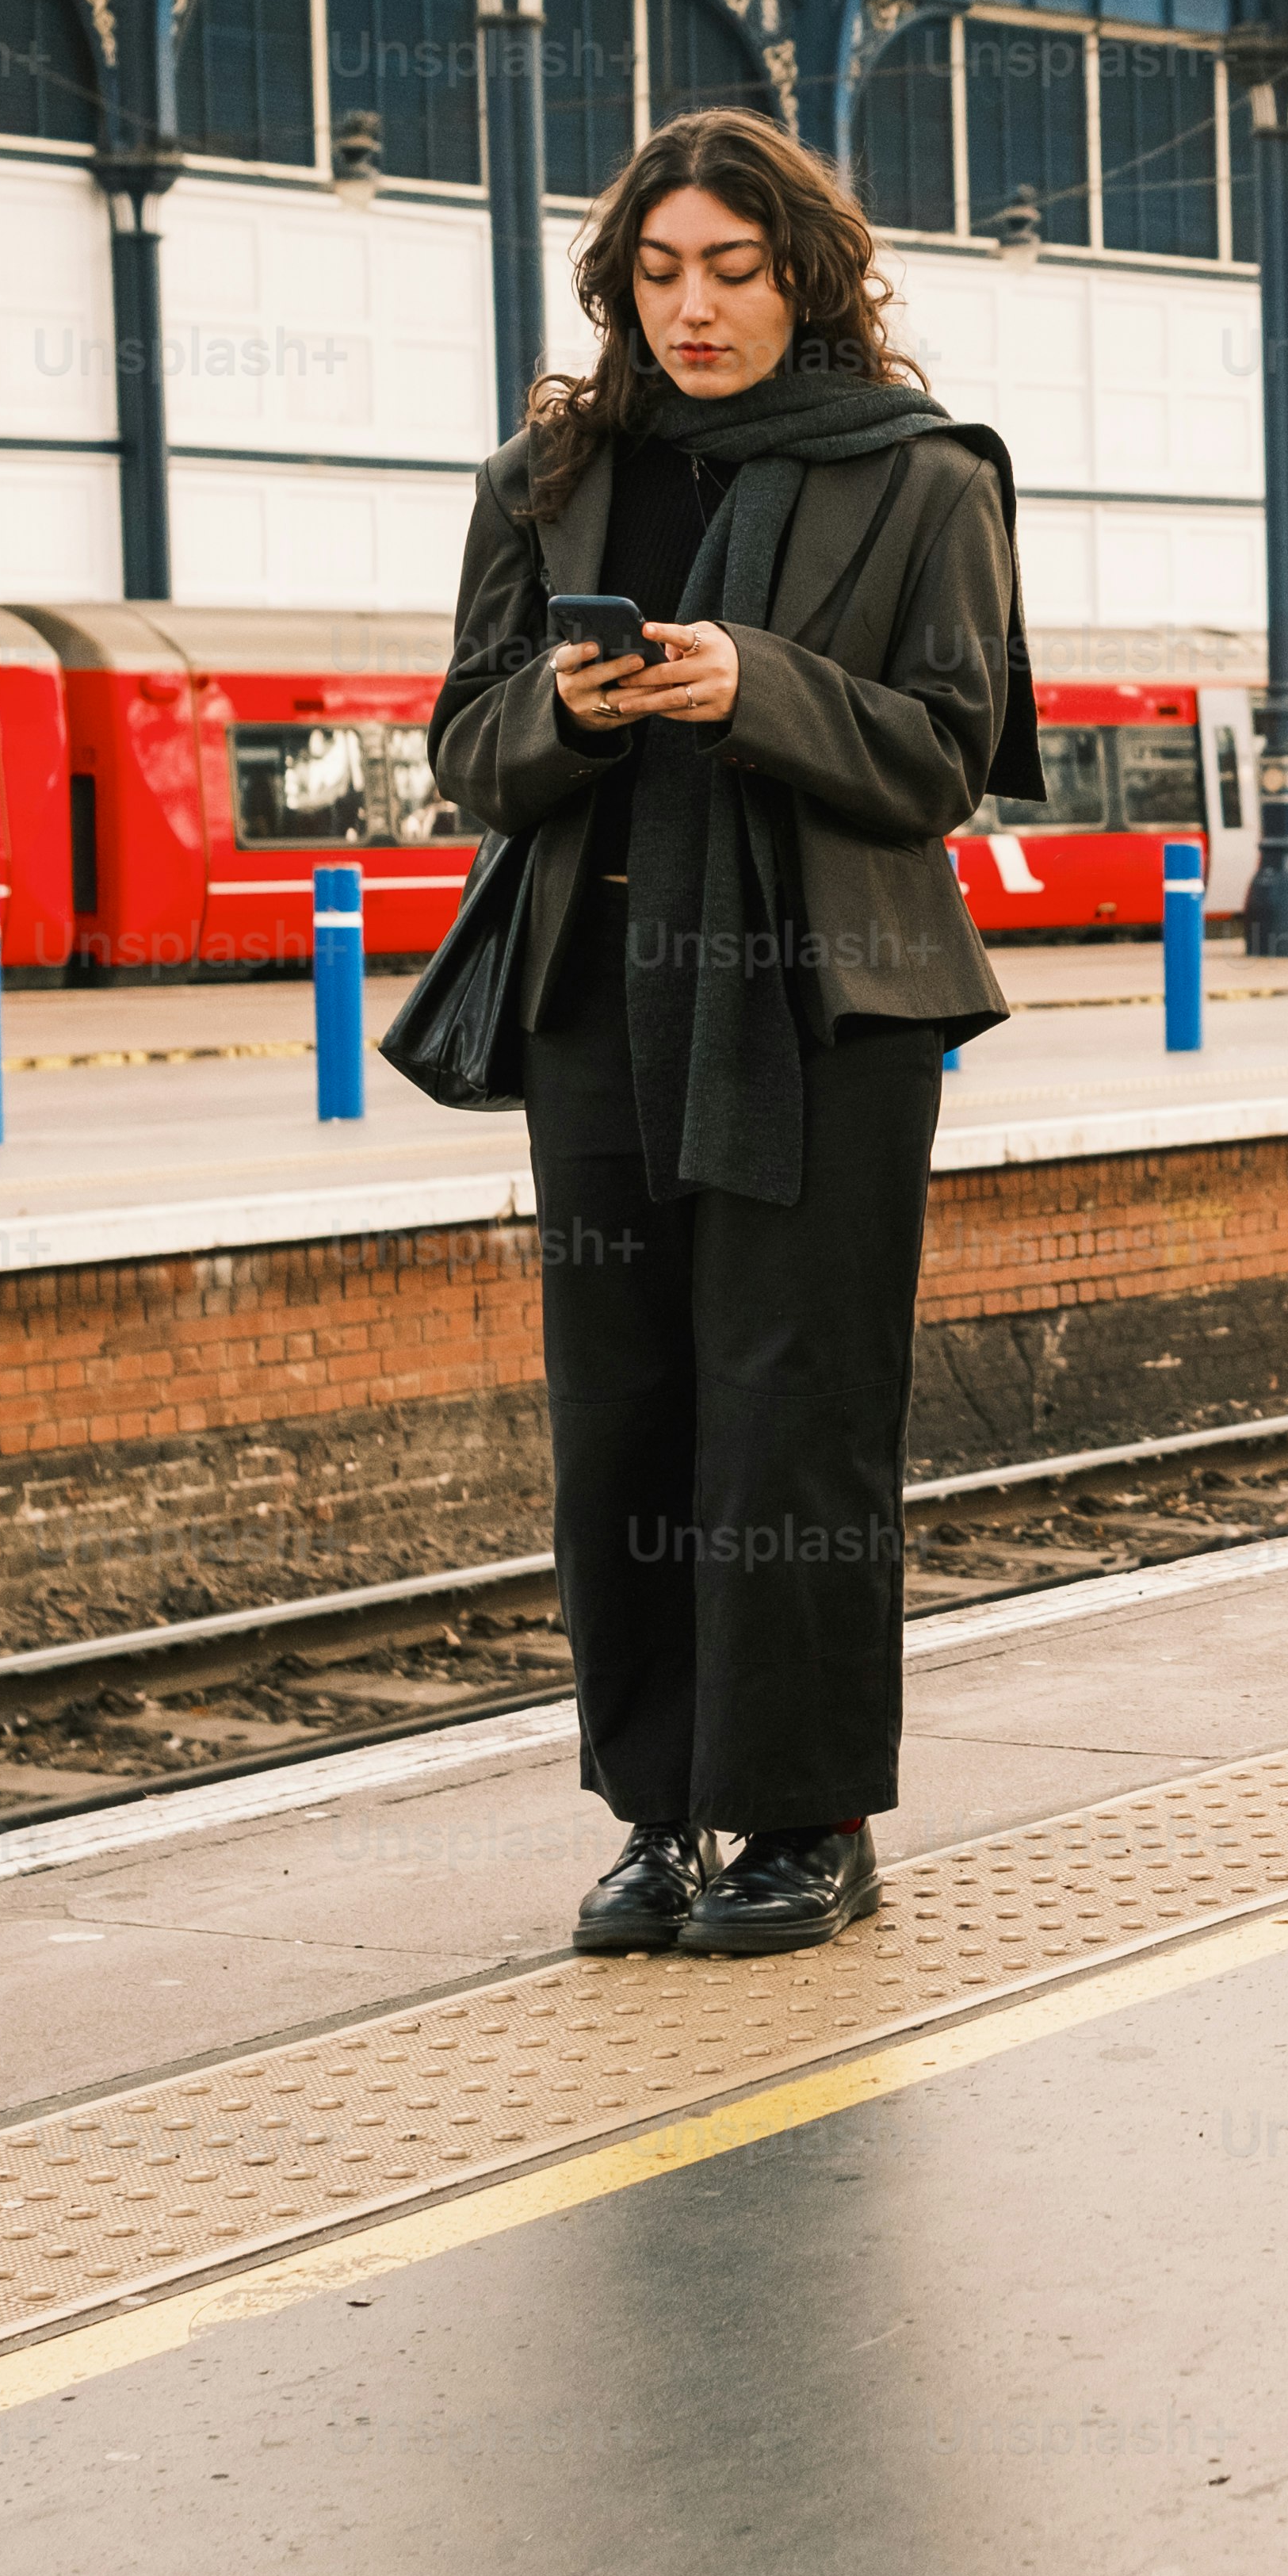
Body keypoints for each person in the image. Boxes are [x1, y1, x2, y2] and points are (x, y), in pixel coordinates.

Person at [431, 109, 1033, 1960]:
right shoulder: (549, 479)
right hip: (600, 1001)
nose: (694, 308)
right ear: (620, 285)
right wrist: (576, 706)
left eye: (735, 271)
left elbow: (952, 753)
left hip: (820, 1007)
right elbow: (465, 749)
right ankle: (659, 1813)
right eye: (661, 273)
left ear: (808, 278)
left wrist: (751, 687)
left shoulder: (927, 477)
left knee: (796, 1421)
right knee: (623, 1418)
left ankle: (809, 1820)